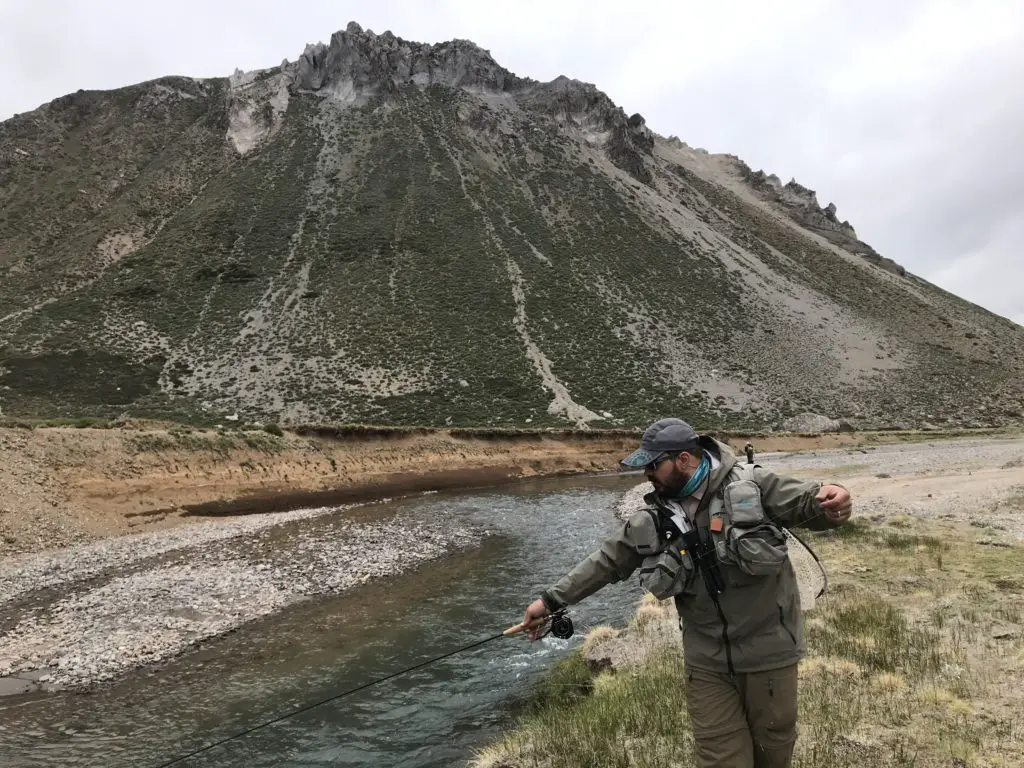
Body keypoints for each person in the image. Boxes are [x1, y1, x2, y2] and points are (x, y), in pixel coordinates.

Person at [519, 418, 853, 768]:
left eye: (653, 465)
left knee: (773, 753)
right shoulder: (654, 518)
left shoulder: (752, 484)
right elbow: (606, 561)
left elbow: (810, 503)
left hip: (770, 655)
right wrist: (549, 601)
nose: (646, 473)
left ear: (683, 460)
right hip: (706, 663)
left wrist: (836, 502)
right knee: (720, 759)